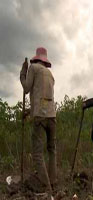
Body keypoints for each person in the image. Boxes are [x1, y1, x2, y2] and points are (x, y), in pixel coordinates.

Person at [20, 47, 57, 191]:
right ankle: (52, 181)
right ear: (45, 60)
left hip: (40, 117)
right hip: (52, 116)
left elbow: (27, 88)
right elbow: (44, 99)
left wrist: (22, 73)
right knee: (52, 149)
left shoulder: (33, 68)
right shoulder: (50, 74)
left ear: (36, 59)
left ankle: (44, 185)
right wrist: (30, 111)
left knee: (37, 152)